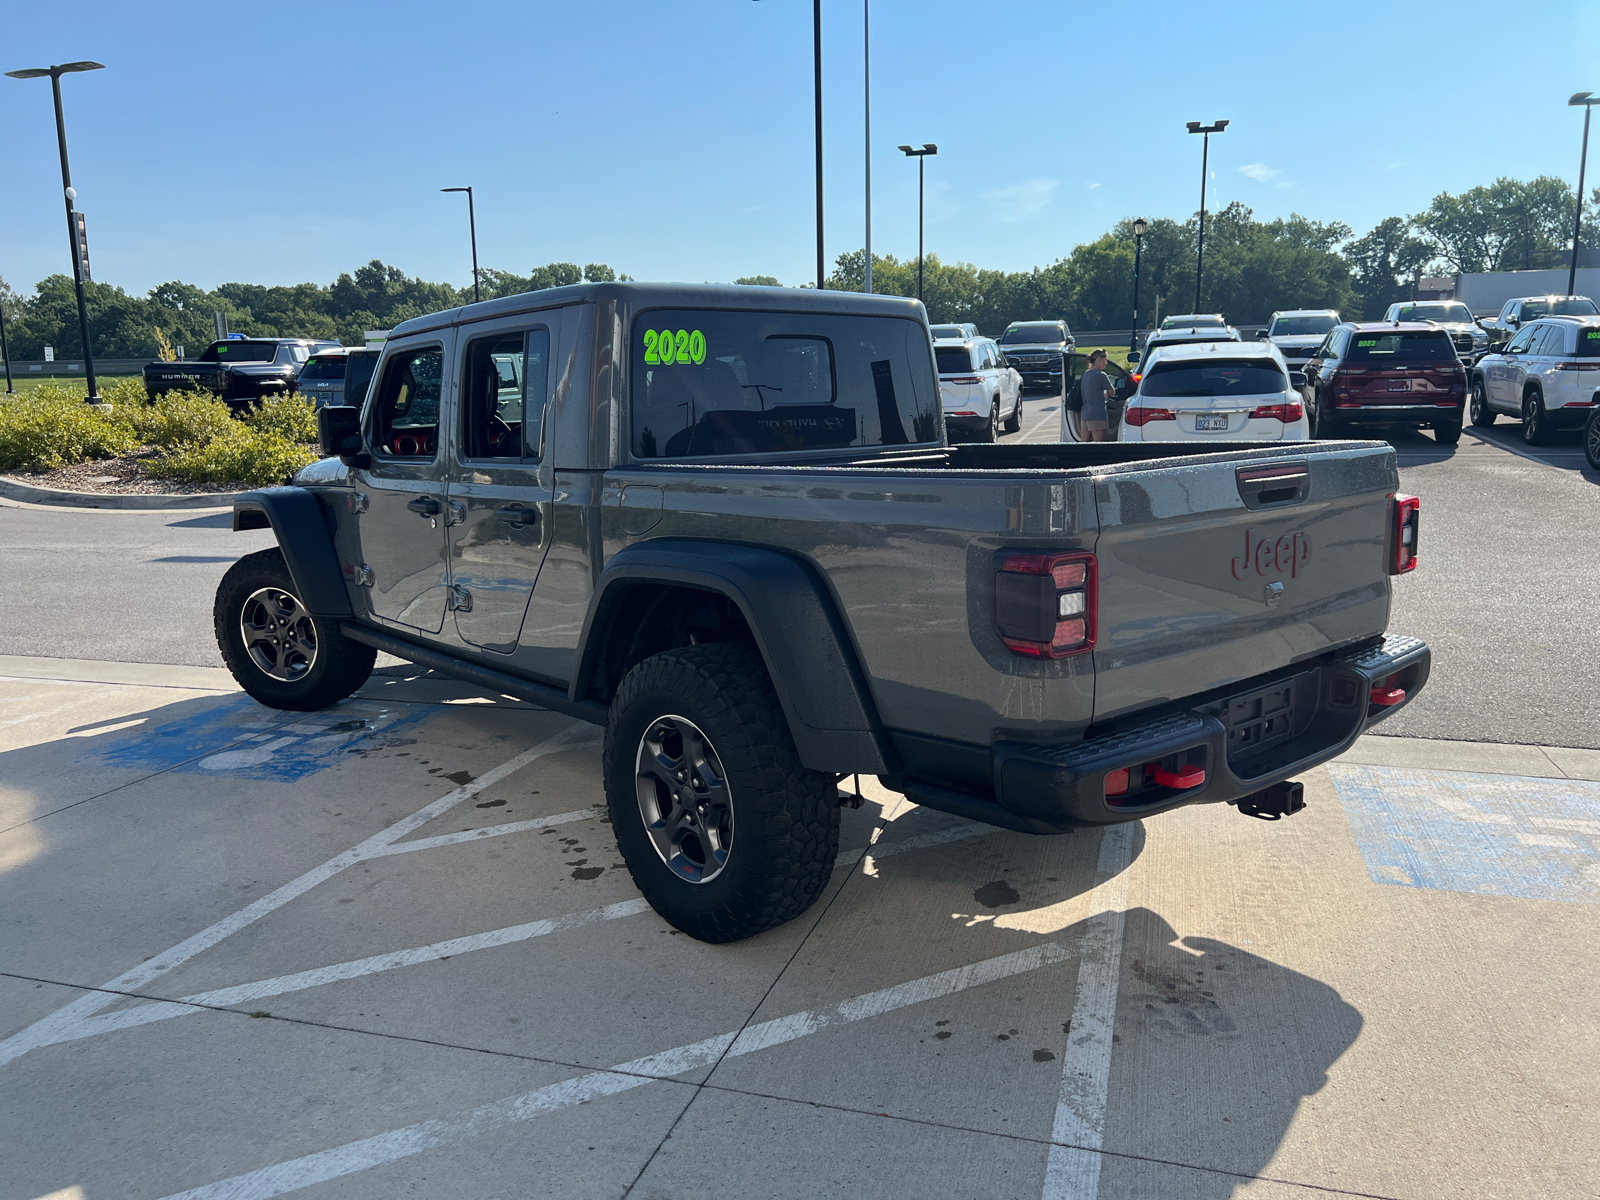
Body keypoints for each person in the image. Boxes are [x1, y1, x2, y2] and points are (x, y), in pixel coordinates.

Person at [1078, 349, 1114, 442]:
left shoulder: (1086, 373)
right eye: (1105, 360)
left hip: (1085, 414)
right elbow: (1112, 392)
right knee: (1098, 444)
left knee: (1083, 443)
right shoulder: (1101, 375)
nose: (1106, 363)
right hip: (1097, 414)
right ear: (1099, 360)